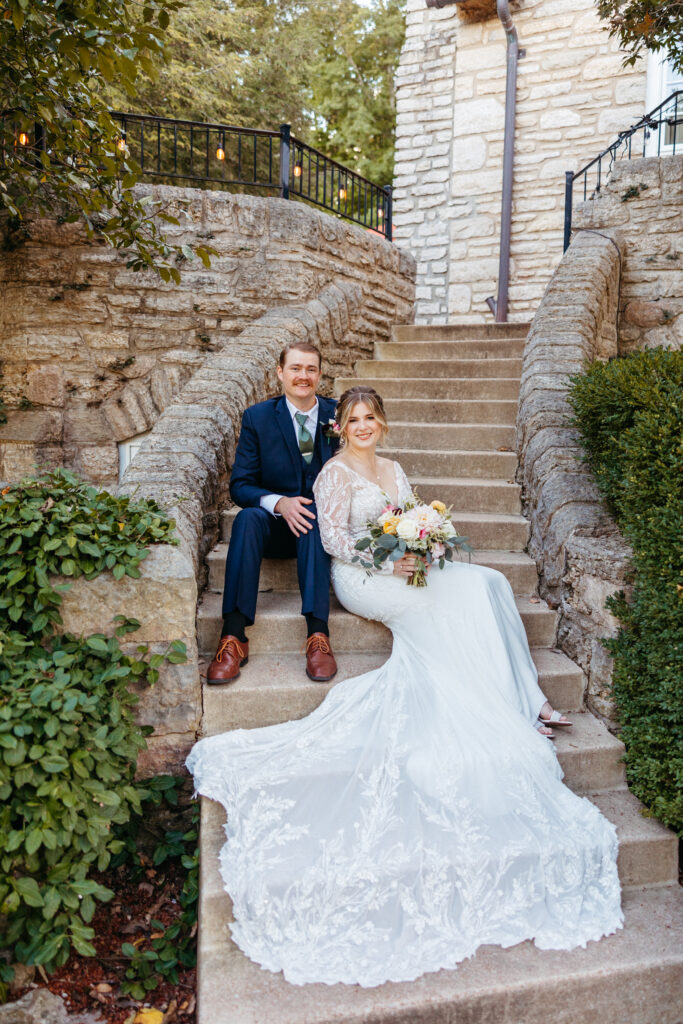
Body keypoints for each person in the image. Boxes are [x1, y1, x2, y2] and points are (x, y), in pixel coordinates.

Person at [187, 384, 623, 988]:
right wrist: (387, 559)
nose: (363, 426)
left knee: (489, 583)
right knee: (449, 609)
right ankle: (514, 704)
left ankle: (532, 699)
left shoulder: (393, 468)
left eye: (371, 418)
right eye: (354, 419)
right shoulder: (334, 473)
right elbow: (334, 539)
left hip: (408, 565)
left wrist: (426, 546)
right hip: (363, 578)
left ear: (382, 423)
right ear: (341, 427)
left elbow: (420, 521)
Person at [206, 341, 338, 685]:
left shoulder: (338, 416)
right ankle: (234, 637)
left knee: (311, 515)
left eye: (311, 369)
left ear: (320, 374)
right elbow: (241, 486)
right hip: (271, 527)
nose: (303, 376)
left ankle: (317, 636)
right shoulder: (258, 418)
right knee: (248, 517)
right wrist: (280, 503)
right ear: (280, 373)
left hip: (317, 530)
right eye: (295, 368)